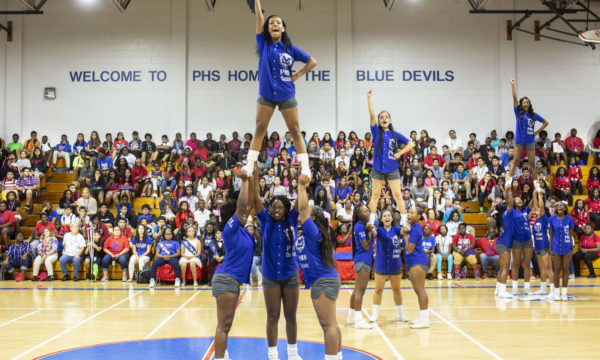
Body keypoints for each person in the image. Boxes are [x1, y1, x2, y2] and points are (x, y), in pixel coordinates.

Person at [243, 0, 317, 182]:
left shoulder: (290, 48)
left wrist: (297, 75)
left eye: (278, 23)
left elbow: (312, 61)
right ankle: (249, 165)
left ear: (283, 28)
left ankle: (306, 169)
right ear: (267, 29)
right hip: (266, 96)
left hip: (286, 95)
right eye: (271, 23)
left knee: (295, 130)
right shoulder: (263, 43)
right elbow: (259, 17)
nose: (274, 24)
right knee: (260, 129)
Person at [253, 175, 302, 359]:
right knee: (272, 316)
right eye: (273, 207)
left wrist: (302, 179)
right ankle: (273, 354)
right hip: (271, 276)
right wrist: (253, 176)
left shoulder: (293, 219)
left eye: (280, 207)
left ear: (286, 209)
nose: (276, 210)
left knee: (291, 316)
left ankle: (292, 353)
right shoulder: (265, 220)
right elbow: (255, 199)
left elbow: (300, 200)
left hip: (290, 274)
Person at [295, 173, 342, 359]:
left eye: (306, 214)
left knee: (328, 326)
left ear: (312, 219)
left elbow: (303, 208)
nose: (301, 214)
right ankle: (338, 357)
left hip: (323, 282)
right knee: (333, 323)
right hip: (325, 280)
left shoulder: (312, 231)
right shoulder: (315, 233)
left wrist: (301, 186)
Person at [211, 169, 254, 360]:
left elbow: (249, 204)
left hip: (233, 281)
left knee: (227, 325)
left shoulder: (244, 231)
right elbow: (243, 204)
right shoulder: (229, 230)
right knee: (224, 325)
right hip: (226, 278)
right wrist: (244, 180)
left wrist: (253, 178)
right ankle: (219, 357)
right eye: (241, 212)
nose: (245, 213)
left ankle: (223, 353)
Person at [365, 90, 414, 227]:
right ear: (379, 121)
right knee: (375, 195)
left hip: (392, 169)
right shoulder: (375, 131)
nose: (383, 119)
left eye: (386, 117)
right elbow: (372, 114)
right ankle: (371, 221)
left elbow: (411, 144)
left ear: (390, 120)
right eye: (381, 117)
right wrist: (369, 98)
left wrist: (400, 153)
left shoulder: (395, 134)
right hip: (378, 169)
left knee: (398, 195)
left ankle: (404, 222)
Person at [369, 209, 408, 323]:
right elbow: (374, 233)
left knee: (397, 290)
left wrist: (405, 222)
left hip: (395, 264)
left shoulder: (396, 229)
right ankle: (374, 315)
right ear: (381, 219)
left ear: (392, 218)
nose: (386, 217)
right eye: (384, 216)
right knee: (378, 290)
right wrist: (372, 228)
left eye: (389, 216)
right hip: (381, 264)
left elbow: (404, 231)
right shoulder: (379, 230)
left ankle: (401, 315)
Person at [507, 78, 548, 184]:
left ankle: (536, 184)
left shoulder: (534, 115)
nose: (525, 104)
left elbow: (545, 123)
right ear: (521, 104)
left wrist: (537, 132)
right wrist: (512, 85)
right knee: (515, 161)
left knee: (531, 163)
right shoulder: (518, 113)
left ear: (529, 104)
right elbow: (514, 98)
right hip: (519, 141)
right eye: (524, 103)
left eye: (527, 103)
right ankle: (509, 180)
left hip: (530, 141)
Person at [347, 204, 374, 329]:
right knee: (360, 291)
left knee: (356, 290)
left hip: (361, 259)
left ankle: (351, 318)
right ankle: (359, 320)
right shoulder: (360, 226)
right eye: (365, 211)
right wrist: (369, 232)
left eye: (368, 210)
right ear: (358, 213)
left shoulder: (360, 226)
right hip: (363, 259)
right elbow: (366, 246)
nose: (368, 212)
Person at [403, 208, 430, 328]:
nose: (409, 215)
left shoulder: (415, 229)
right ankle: (422, 318)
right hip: (415, 261)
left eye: (412, 213)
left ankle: (424, 320)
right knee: (418, 290)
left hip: (417, 260)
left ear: (419, 216)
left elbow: (409, 248)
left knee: (420, 290)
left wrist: (404, 235)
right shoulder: (414, 228)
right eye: (408, 213)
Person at [549, 202, 574, 301]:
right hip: (555, 247)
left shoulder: (569, 219)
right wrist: (550, 249)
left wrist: (572, 249)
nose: (560, 207)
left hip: (567, 246)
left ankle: (564, 293)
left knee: (565, 270)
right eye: (558, 206)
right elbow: (551, 235)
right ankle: (556, 293)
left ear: (565, 208)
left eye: (562, 206)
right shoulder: (551, 219)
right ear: (555, 209)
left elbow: (571, 235)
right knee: (556, 270)